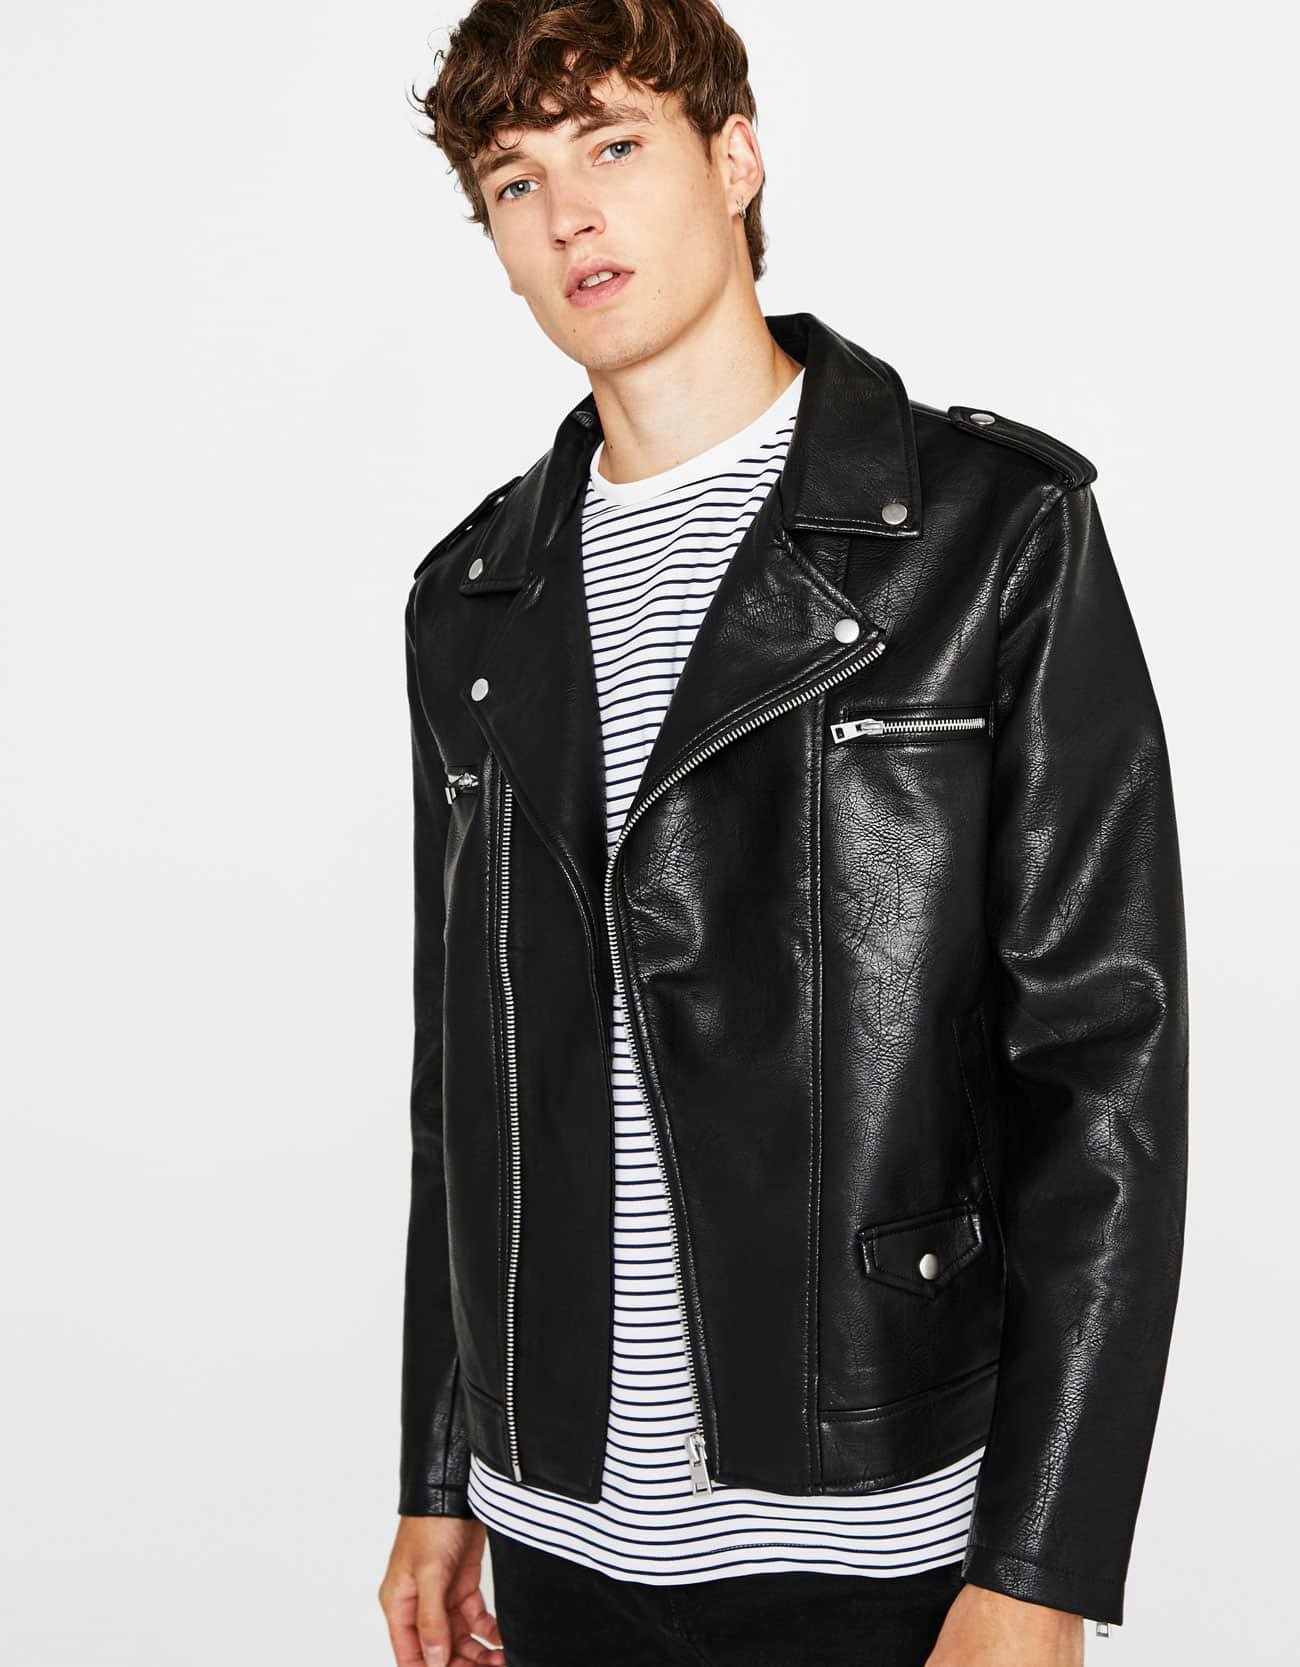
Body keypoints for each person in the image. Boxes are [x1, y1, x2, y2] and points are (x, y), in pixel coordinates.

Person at [377, 4, 1189, 1665]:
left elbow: (1105, 1066)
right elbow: (465, 1083)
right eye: (515, 184)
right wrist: (440, 1474)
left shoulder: (988, 536)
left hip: (885, 1513)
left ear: (735, 158)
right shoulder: (472, 601)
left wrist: (1042, 1562)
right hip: (555, 1523)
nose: (571, 214)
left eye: (614, 145)